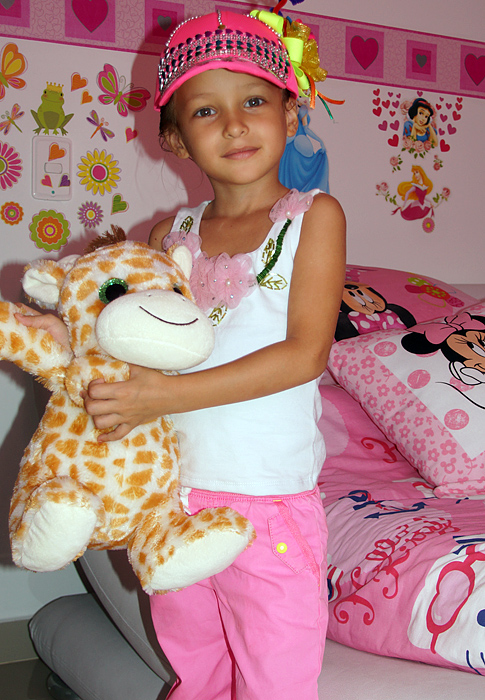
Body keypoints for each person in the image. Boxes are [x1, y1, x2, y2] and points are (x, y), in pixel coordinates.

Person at [17, 8, 345, 699]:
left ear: (291, 114)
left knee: (274, 681)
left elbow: (303, 354)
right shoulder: (171, 232)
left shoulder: (312, 217)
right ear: (174, 137)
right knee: (193, 671)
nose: (233, 124)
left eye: (254, 101)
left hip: (267, 503)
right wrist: (67, 340)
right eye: (205, 111)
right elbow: (129, 334)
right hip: (168, 502)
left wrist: (163, 397)